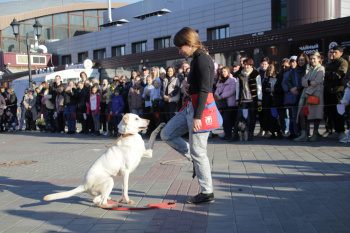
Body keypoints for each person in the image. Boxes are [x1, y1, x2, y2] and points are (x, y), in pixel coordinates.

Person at [160, 27, 215, 204]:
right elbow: (199, 87)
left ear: (189, 44)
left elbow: (206, 89)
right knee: (166, 134)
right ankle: (192, 158)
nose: (179, 51)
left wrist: (197, 117)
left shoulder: (203, 60)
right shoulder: (196, 60)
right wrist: (188, 89)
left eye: (180, 47)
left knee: (200, 152)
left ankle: (207, 192)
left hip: (199, 110)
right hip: (189, 107)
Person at [294, 52, 325, 142]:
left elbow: (317, 82)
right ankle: (304, 134)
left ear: (319, 59)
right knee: (303, 114)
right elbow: (303, 81)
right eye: (311, 59)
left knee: (316, 115)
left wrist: (308, 90)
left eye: (314, 58)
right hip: (306, 97)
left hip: (315, 96)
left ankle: (315, 133)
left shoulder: (321, 68)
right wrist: (309, 82)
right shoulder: (309, 69)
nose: (312, 60)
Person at [232, 58, 262, 141]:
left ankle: (250, 133)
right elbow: (237, 87)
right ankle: (235, 134)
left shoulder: (256, 74)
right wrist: (237, 99)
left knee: (252, 118)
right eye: (245, 64)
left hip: (252, 99)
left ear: (251, 65)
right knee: (239, 117)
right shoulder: (240, 74)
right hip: (243, 99)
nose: (246, 66)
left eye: (248, 65)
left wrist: (260, 99)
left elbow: (259, 87)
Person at [323, 46, 348, 140]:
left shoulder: (343, 62)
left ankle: (341, 131)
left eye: (335, 52)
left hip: (338, 90)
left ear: (341, 53)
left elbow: (338, 76)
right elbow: (325, 75)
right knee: (331, 112)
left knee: (339, 112)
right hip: (329, 91)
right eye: (332, 52)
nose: (333, 54)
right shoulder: (330, 63)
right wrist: (329, 74)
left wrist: (329, 74)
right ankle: (336, 131)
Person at [215, 66, 237, 140]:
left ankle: (229, 134)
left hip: (230, 103)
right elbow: (217, 90)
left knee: (227, 119)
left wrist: (222, 96)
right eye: (222, 72)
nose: (223, 73)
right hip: (222, 104)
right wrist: (217, 96)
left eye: (225, 71)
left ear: (228, 72)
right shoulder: (220, 81)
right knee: (224, 119)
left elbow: (232, 91)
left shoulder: (232, 80)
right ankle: (226, 133)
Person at [262, 65, 283, 139]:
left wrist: (275, 90)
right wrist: (267, 90)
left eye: (271, 72)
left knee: (277, 117)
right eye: (268, 72)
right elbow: (263, 88)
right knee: (270, 117)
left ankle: (279, 131)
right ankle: (272, 132)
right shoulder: (266, 79)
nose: (270, 74)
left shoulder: (279, 78)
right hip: (269, 100)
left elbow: (281, 88)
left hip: (276, 100)